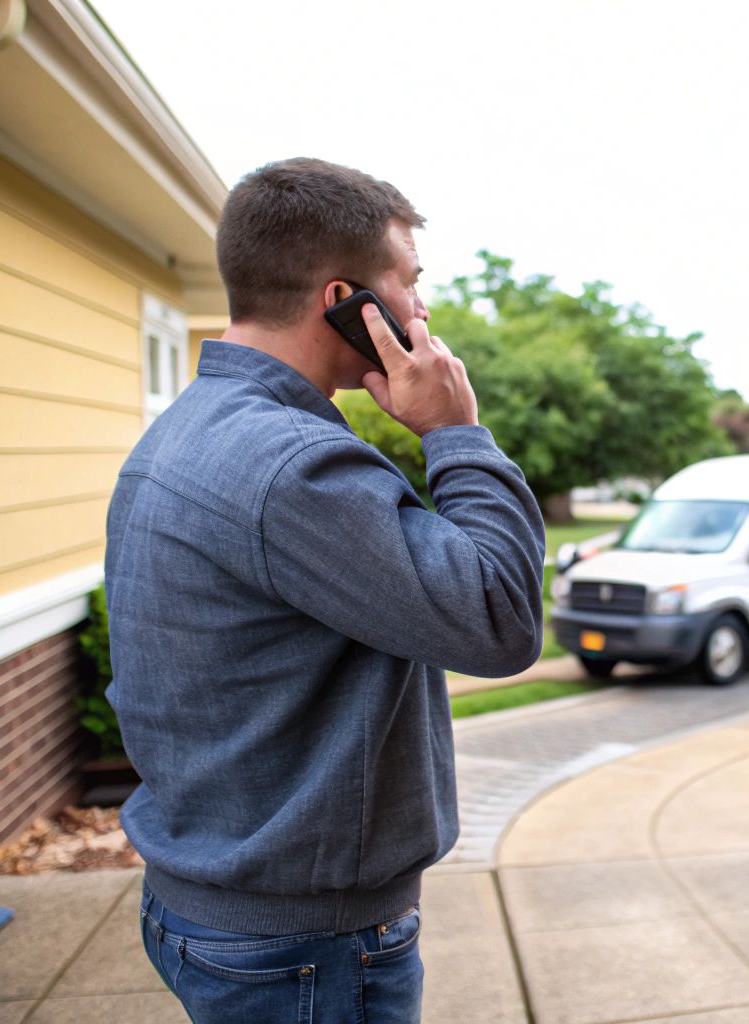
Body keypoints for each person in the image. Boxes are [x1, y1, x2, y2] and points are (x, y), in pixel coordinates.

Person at [104, 158, 545, 1023]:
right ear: (347, 299)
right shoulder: (294, 468)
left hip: (215, 906)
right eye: (411, 285)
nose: (423, 312)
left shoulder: (184, 432)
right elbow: (500, 618)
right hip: (301, 947)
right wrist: (457, 434)